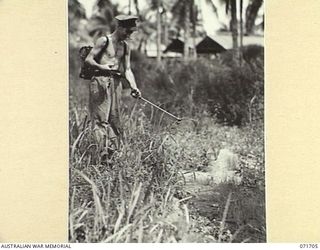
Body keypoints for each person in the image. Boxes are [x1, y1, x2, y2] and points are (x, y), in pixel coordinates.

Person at [84, 14, 141, 155]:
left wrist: (134, 86)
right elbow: (88, 59)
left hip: (116, 82)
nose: (129, 34)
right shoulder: (104, 41)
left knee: (115, 119)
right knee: (100, 120)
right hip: (100, 81)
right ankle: (101, 156)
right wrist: (101, 67)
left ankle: (113, 154)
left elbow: (127, 69)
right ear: (120, 27)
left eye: (132, 32)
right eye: (128, 31)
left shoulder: (126, 47)